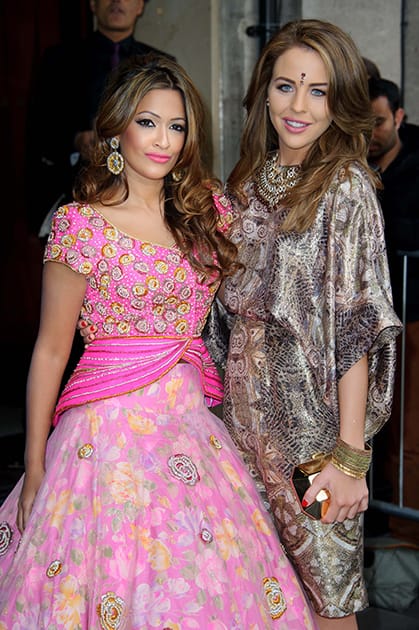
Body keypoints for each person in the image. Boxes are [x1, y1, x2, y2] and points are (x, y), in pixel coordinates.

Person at [0, 54, 317, 629]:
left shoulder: (208, 214)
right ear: (118, 127)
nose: (164, 140)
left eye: (177, 126)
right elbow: (50, 350)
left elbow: (283, 217)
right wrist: (34, 458)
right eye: (147, 122)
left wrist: (299, 117)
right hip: (105, 437)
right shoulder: (81, 224)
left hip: (192, 427)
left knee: (205, 589)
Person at [219, 19, 402, 630]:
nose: (297, 106)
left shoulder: (346, 187)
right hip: (239, 433)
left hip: (312, 438)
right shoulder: (244, 183)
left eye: (317, 91)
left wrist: (350, 458)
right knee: (258, 600)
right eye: (285, 86)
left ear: (340, 100)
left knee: (327, 607)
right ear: (262, 91)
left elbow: (356, 324)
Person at [26, 0, 175, 237]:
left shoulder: (161, 64)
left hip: (140, 198)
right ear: (92, 4)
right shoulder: (59, 59)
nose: (117, 2)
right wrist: (76, 141)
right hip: (71, 192)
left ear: (140, 6)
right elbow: (37, 129)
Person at [367, 76, 419, 544]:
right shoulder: (352, 169)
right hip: (367, 321)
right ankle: (375, 524)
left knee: (406, 434)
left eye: (379, 121)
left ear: (399, 118)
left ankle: (403, 539)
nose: (371, 131)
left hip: (412, 315)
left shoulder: (416, 166)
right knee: (370, 430)